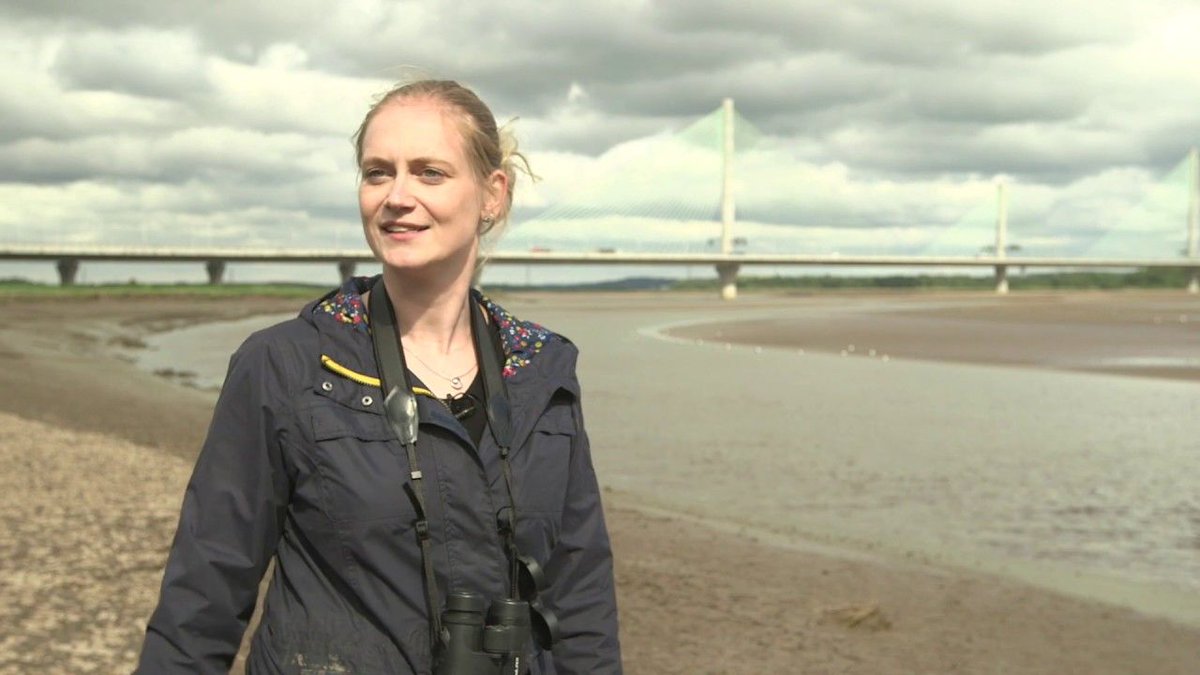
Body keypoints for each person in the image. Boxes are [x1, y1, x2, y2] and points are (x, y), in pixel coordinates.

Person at [136, 79, 622, 674]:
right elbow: (204, 593)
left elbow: (581, 595)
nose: (397, 196)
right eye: (377, 172)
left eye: (429, 172)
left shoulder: (542, 372)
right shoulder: (287, 366)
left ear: (492, 193)